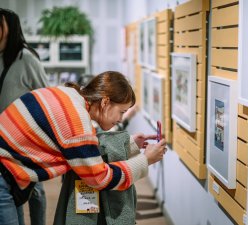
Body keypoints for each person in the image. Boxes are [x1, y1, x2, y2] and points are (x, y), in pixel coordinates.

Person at [0, 71, 167, 224]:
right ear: (105, 102)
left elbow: (82, 150)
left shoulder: (71, 95)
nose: (121, 119)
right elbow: (100, 178)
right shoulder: (77, 121)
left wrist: (129, 144)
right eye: (121, 111)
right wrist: (145, 160)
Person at [0, 8, 48, 225]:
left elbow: (46, 97)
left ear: (10, 27)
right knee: (9, 191)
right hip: (2, 140)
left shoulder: (26, 58)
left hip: (25, 140)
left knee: (35, 190)